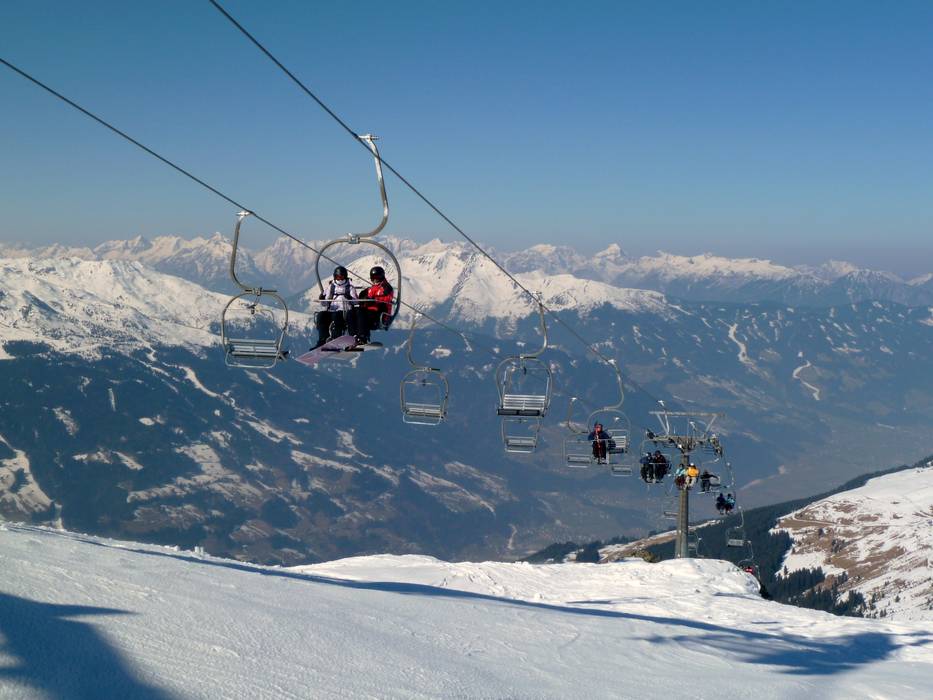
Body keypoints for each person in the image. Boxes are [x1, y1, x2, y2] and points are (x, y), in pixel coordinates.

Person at [346, 266, 394, 346]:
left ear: (381, 277)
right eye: (373, 278)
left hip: (379, 314)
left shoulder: (387, 288)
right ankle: (353, 336)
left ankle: (363, 337)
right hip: (369, 312)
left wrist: (372, 300)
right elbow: (362, 297)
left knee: (360, 311)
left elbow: (386, 298)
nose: (375, 280)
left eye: (377, 278)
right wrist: (360, 299)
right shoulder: (371, 289)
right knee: (351, 312)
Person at [312, 266, 358, 349]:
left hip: (344, 311)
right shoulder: (331, 287)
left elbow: (356, 301)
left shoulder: (350, 288)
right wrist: (322, 299)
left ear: (345, 277)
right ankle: (322, 339)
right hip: (332, 309)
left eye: (341, 277)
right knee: (321, 315)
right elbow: (326, 303)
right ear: (334, 277)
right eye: (337, 277)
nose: (339, 279)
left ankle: (335, 337)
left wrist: (350, 298)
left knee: (336, 316)